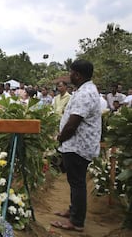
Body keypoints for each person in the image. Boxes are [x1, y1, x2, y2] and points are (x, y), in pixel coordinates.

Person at [51, 59, 101, 232]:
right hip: (77, 145)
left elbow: (73, 124)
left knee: (77, 182)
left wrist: (60, 138)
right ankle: (73, 211)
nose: (69, 75)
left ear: (78, 75)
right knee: (74, 181)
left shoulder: (85, 94)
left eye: (71, 72)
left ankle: (76, 221)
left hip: (78, 146)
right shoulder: (85, 90)